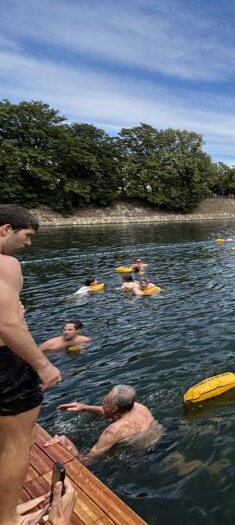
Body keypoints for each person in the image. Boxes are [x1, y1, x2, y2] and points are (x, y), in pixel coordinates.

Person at [0, 205, 62, 525]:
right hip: (4, 367)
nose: (28, 244)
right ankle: (7, 517)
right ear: (5, 229)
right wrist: (44, 366)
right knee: (17, 444)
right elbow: (7, 326)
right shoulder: (6, 264)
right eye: (27, 236)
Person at [44, 385, 160, 465]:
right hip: (160, 442)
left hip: (145, 455)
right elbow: (109, 412)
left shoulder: (113, 431)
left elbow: (87, 462)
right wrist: (84, 407)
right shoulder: (139, 407)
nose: (102, 402)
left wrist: (69, 446)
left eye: (105, 401)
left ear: (114, 408)